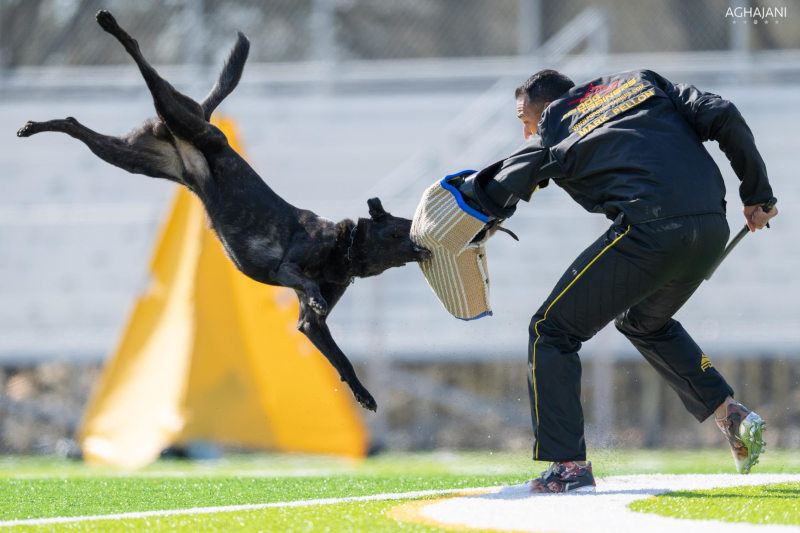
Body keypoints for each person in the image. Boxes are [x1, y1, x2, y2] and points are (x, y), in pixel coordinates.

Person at [454, 69, 778, 493]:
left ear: (546, 105)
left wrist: (468, 205)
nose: (526, 129)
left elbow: (520, 168)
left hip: (651, 229)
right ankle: (729, 413)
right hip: (710, 226)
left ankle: (568, 467)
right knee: (644, 322)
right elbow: (721, 112)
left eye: (524, 118)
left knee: (550, 330)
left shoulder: (556, 120)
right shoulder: (643, 82)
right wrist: (757, 193)